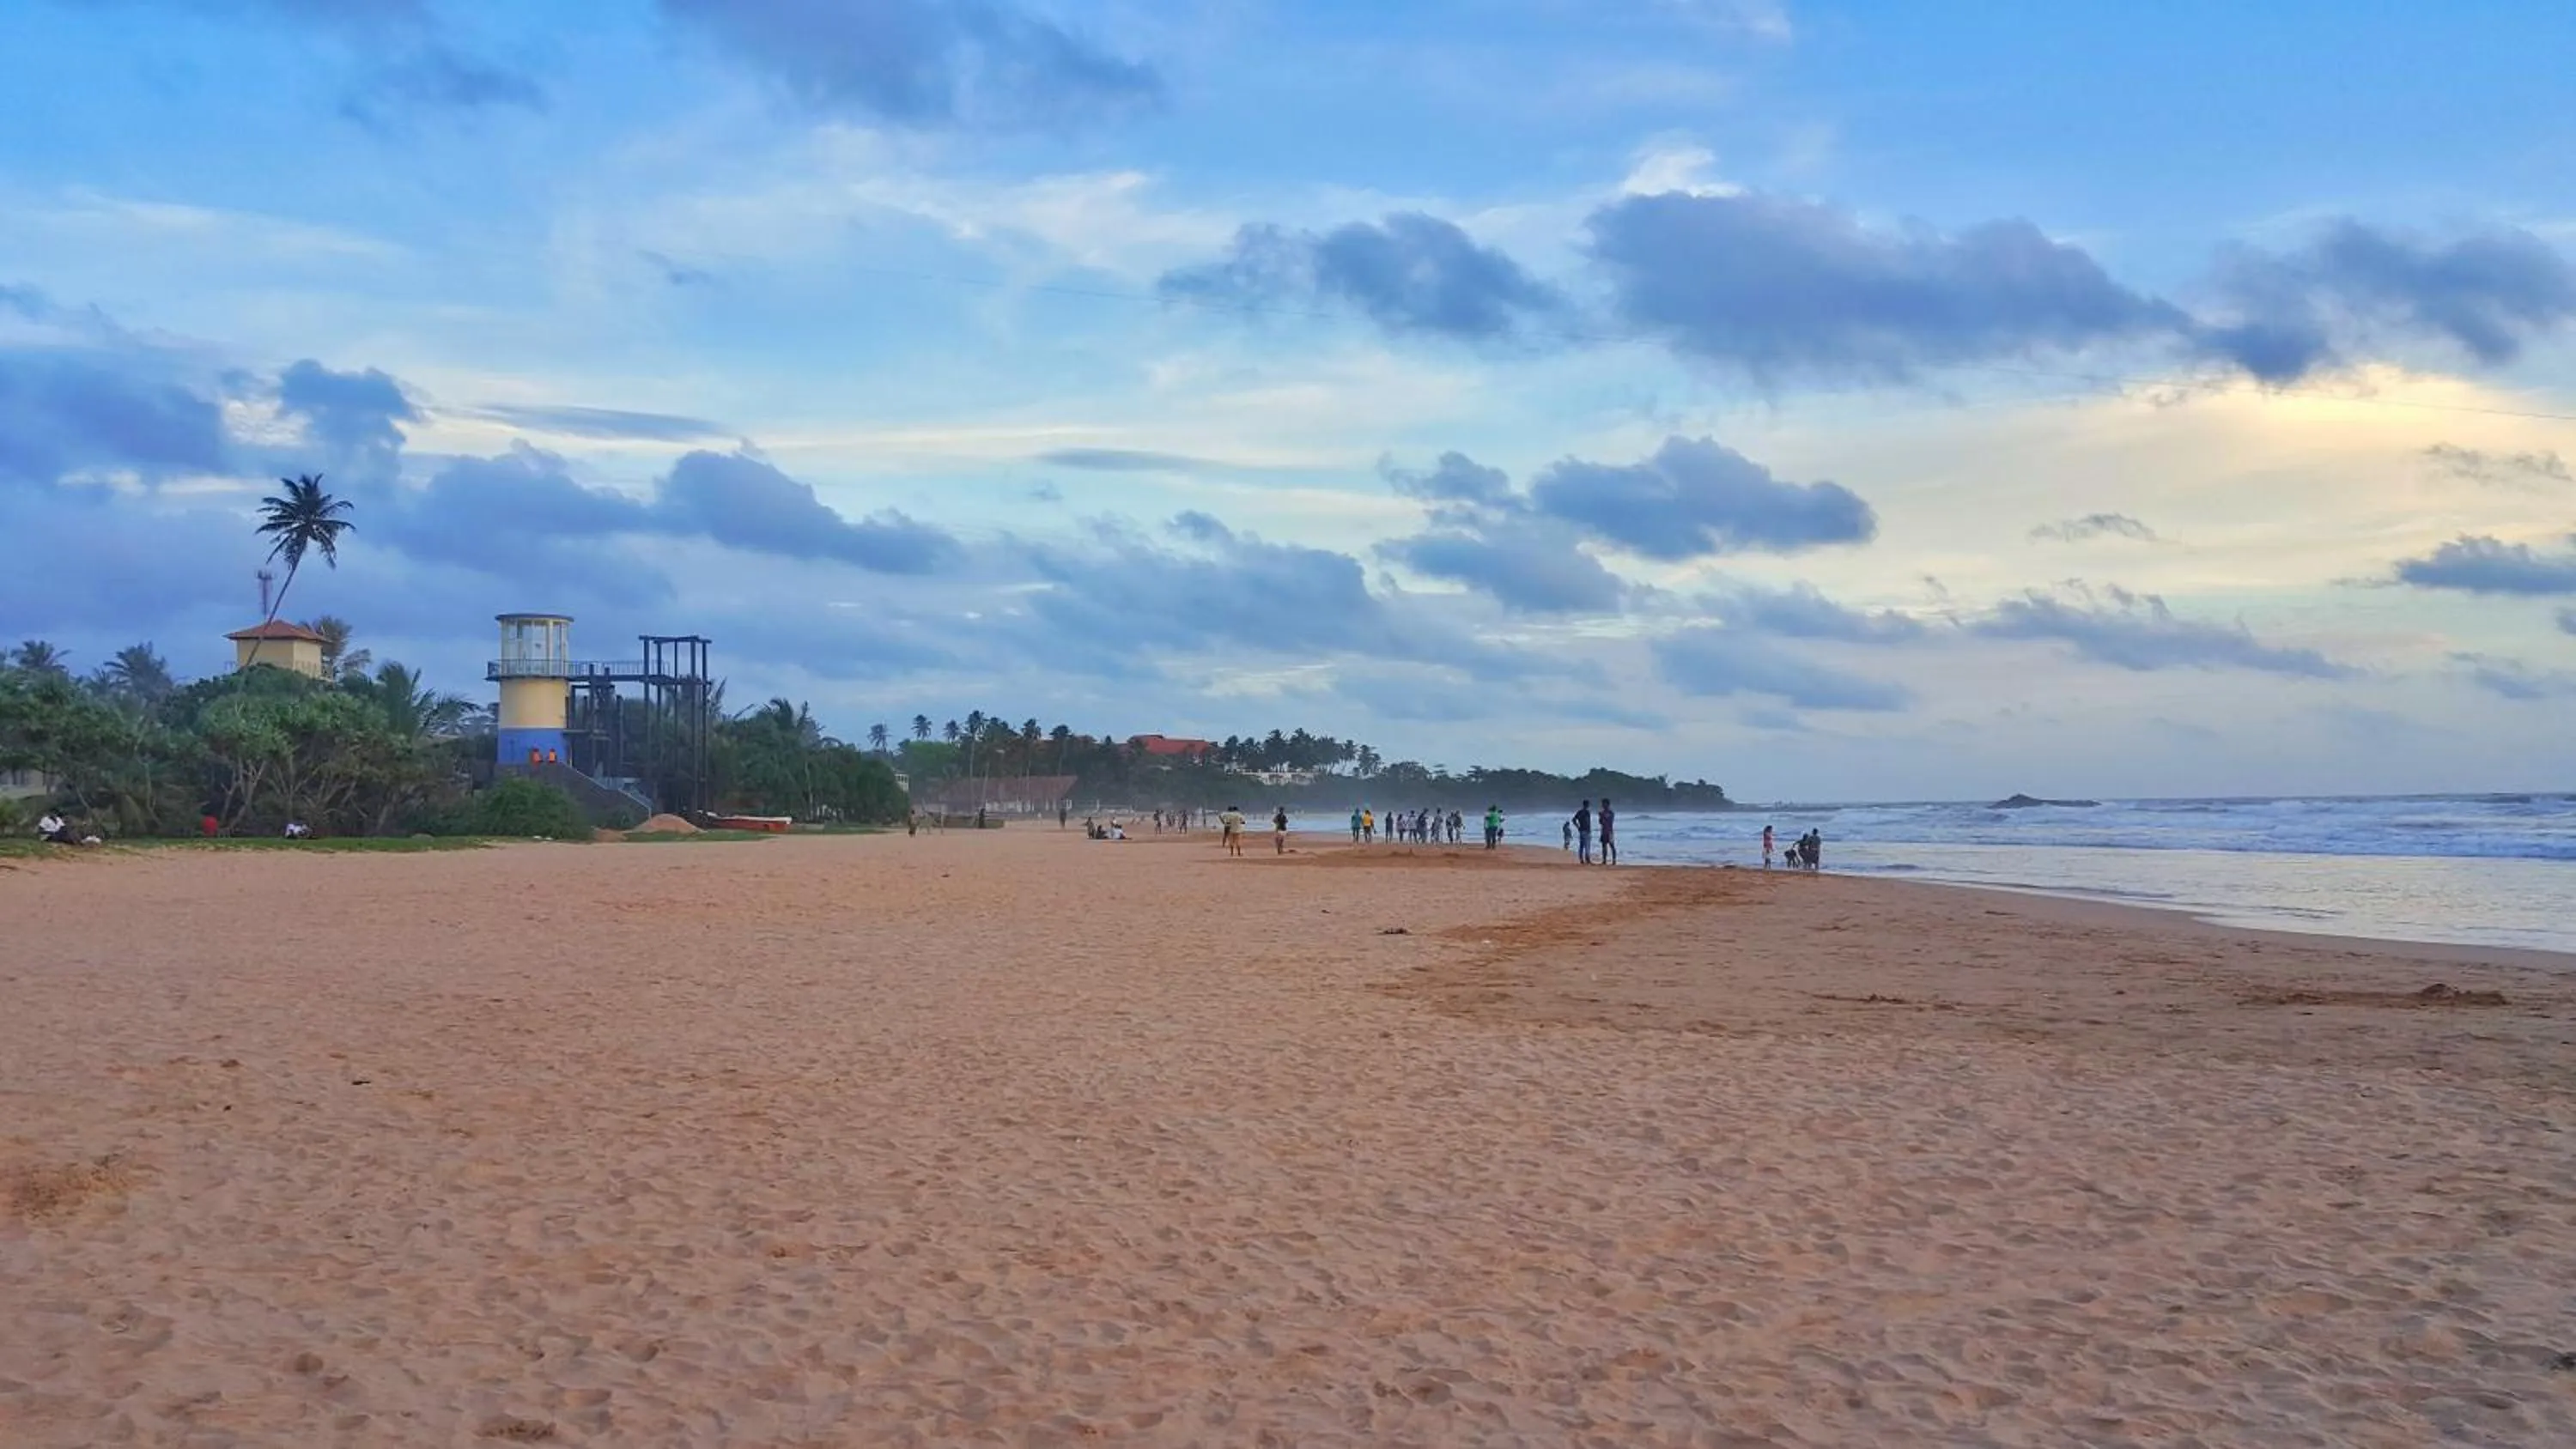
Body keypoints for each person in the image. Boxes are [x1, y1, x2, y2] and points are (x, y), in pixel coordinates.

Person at [1598, 798, 1618, 865]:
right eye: (1603, 804)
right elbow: (1600, 822)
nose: (1603, 805)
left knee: (1612, 846)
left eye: (1604, 803)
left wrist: (1602, 816)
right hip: (1604, 831)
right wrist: (1601, 817)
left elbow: (1610, 821)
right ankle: (1604, 860)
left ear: (1608, 804)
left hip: (1609, 831)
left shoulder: (1611, 812)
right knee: (1604, 846)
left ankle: (1614, 860)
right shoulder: (1602, 813)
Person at [1573, 800, 1592, 864]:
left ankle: (1582, 859)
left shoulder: (1581, 812)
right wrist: (1578, 827)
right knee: (1587, 845)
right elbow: (1588, 822)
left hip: (1583, 830)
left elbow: (1574, 820)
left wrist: (1578, 827)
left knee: (1582, 845)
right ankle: (1587, 859)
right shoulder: (1586, 812)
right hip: (1585, 830)